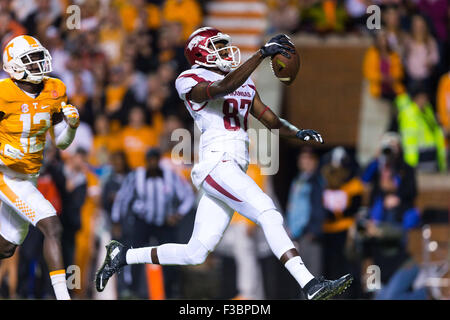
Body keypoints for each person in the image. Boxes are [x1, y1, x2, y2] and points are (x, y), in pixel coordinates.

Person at [96, 27, 353, 300]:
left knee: (196, 252)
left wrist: (297, 131)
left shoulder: (244, 82)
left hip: (232, 165)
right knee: (268, 212)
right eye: (217, 46)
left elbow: (269, 119)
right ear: (201, 51)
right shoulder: (188, 78)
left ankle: (123, 255)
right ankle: (310, 284)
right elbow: (221, 88)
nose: (225, 51)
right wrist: (261, 54)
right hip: (217, 162)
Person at [0, 35, 80, 299]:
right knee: (52, 226)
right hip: (6, 175)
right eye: (30, 60)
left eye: (38, 57)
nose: (37, 64)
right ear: (13, 66)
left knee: (7, 246)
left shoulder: (55, 88)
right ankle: (63, 297)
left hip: (30, 176)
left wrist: (72, 127)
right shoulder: (4, 93)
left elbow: (63, 144)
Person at [111, 148, 195, 298]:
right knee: (132, 253)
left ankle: (171, 291)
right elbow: (122, 198)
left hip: (164, 223)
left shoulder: (170, 176)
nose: (153, 163)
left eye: (155, 159)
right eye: (150, 160)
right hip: (143, 222)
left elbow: (188, 195)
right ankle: (132, 290)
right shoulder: (137, 176)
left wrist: (179, 213)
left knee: (171, 256)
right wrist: (117, 220)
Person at [286, 147, 325, 280]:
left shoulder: (317, 181)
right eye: (303, 158)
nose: (305, 162)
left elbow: (319, 206)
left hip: (308, 234)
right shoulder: (298, 180)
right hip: (296, 234)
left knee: (312, 275)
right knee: (300, 275)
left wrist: (313, 230)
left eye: (309, 158)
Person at [395, 88, 447, 173]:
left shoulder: (427, 111)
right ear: (415, 98)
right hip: (417, 155)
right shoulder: (409, 113)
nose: (424, 101)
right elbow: (409, 137)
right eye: (422, 98)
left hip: (431, 152)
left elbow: (433, 130)